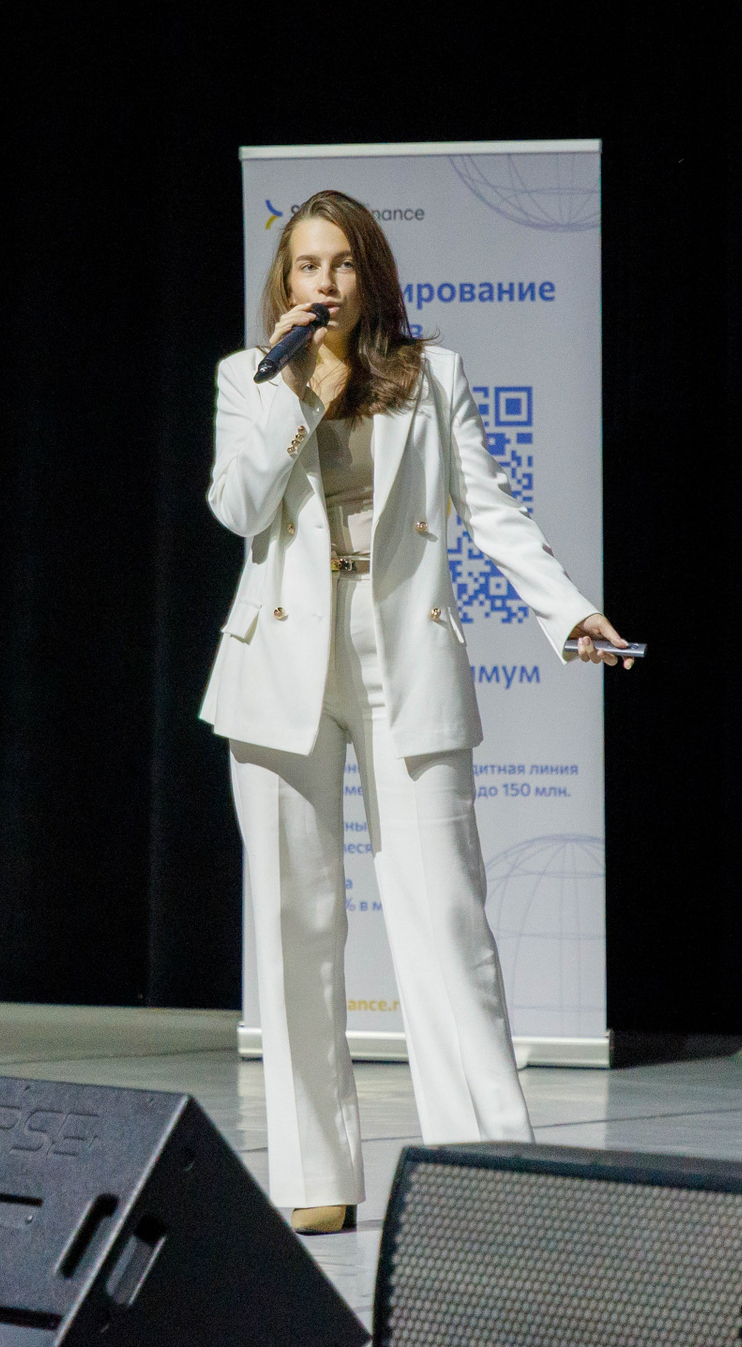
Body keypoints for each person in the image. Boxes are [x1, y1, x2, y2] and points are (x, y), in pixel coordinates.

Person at [201, 190, 631, 1234]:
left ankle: (487, 1171)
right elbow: (237, 507)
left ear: (372, 275)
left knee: (447, 920)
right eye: (306, 266)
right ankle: (316, 1176)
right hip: (278, 663)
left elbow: (490, 509)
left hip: (403, 651)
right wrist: (302, 394)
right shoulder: (248, 376)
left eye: (342, 263)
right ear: (285, 282)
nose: (324, 283)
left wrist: (567, 611)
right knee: (296, 927)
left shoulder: (432, 376)